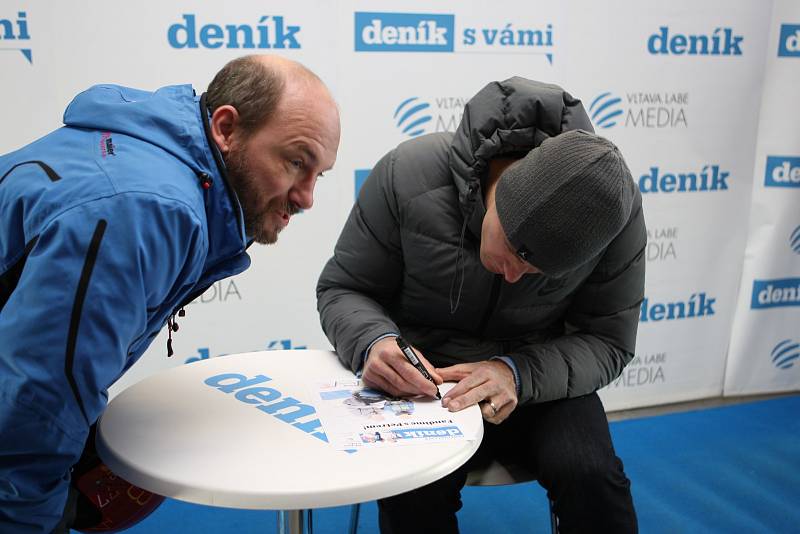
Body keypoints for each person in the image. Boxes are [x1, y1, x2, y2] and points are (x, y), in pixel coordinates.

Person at [0, 54, 340, 533]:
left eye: (318, 174)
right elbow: (36, 400)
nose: (306, 197)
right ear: (226, 128)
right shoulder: (148, 210)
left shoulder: (155, 164)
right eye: (295, 162)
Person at [317, 77, 644, 533]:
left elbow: (609, 340)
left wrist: (515, 373)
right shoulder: (406, 176)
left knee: (592, 476)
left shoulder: (612, 214)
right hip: (424, 374)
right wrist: (375, 342)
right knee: (413, 492)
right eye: (513, 252)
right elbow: (343, 288)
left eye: (537, 272)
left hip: (537, 372)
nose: (512, 275)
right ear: (500, 195)